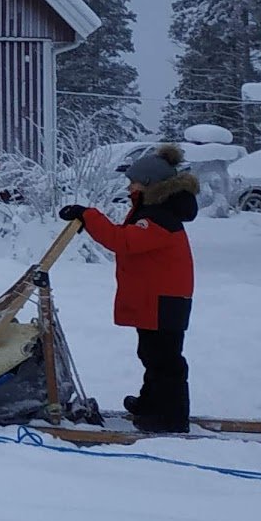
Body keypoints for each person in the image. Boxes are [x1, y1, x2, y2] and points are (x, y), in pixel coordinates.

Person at [60, 143, 197, 434]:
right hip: (159, 298)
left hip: (164, 300)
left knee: (165, 359)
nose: (129, 186)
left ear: (149, 184)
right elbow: (125, 238)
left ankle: (169, 417)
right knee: (152, 354)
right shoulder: (156, 209)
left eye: (133, 181)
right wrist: (89, 218)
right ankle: (151, 405)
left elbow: (123, 241)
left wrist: (89, 215)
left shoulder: (160, 216)